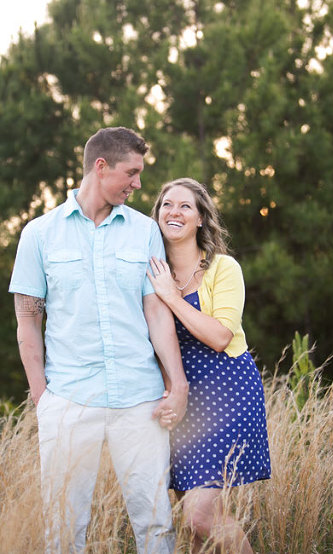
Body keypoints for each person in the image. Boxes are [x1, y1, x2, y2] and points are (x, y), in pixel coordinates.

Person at [9, 127, 188, 553]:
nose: (139, 184)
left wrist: (177, 383)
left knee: (155, 523)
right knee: (64, 526)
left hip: (140, 399)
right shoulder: (39, 233)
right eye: (132, 172)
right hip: (69, 399)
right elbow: (27, 319)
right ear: (100, 166)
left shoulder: (145, 231)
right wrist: (42, 397)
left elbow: (157, 312)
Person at [146, 177, 271, 553]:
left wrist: (171, 296)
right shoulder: (152, 273)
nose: (175, 212)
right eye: (167, 204)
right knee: (191, 523)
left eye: (186, 206)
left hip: (227, 391)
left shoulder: (223, 268)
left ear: (201, 219)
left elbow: (220, 336)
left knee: (201, 515)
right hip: (183, 400)